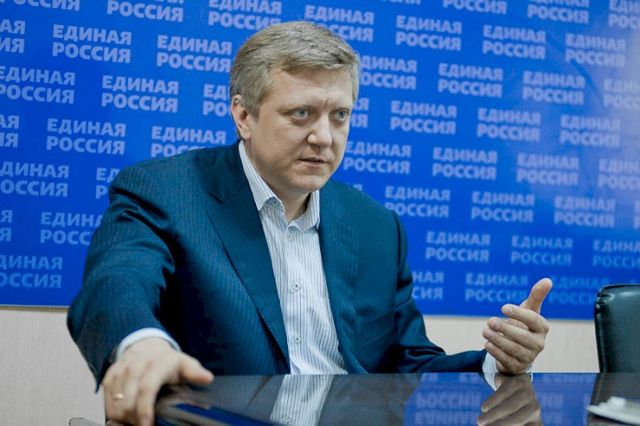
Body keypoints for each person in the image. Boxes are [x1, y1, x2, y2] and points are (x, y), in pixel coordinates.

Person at [67, 21, 552, 426]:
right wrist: (141, 345)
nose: (324, 137)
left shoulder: (376, 226)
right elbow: (116, 281)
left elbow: (406, 364)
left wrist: (498, 362)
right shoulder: (167, 191)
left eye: (339, 116)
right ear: (243, 115)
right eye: (301, 113)